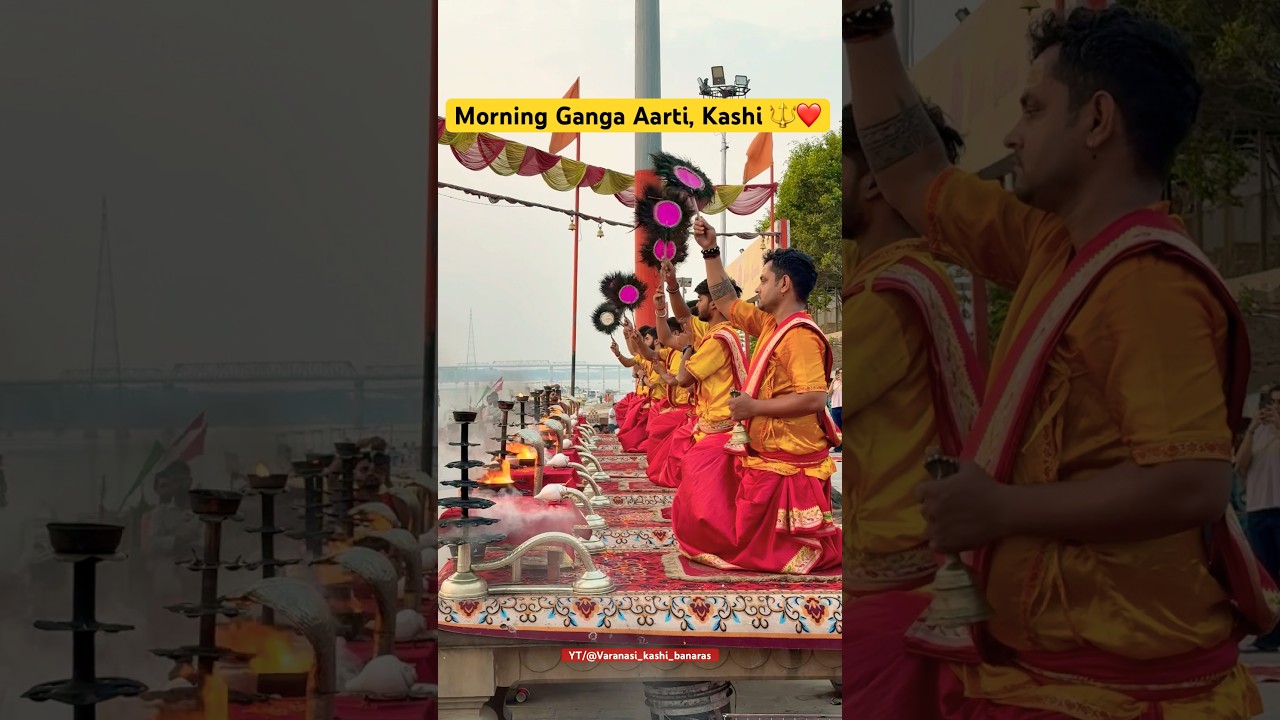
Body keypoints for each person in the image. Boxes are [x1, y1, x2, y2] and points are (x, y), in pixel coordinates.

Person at [843, 3, 1276, 718]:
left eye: (1033, 109)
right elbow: (915, 174)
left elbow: (1191, 484)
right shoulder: (1054, 246)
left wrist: (1001, 509)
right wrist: (867, 28)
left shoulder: (1146, 282)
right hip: (1047, 676)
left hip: (1110, 692)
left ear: (1097, 120)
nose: (1013, 134)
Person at [842, 99, 983, 596]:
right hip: (907, 549)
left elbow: (820, 403)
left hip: (891, 563)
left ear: (875, 182)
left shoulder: (886, 295)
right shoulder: (914, 275)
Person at [681, 216, 841, 574]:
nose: (759, 285)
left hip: (786, 457)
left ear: (784, 284)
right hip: (763, 448)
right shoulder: (772, 324)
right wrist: (710, 250)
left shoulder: (799, 335)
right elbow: (727, 301)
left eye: (764, 279)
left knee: (747, 548)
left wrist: (753, 406)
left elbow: (815, 398)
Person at [1236, 385, 1280, 652]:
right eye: (1271, 402)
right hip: (1259, 510)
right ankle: (1270, 634)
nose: (1274, 407)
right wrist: (1252, 429)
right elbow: (1240, 466)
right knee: (1267, 577)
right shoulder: (1259, 434)